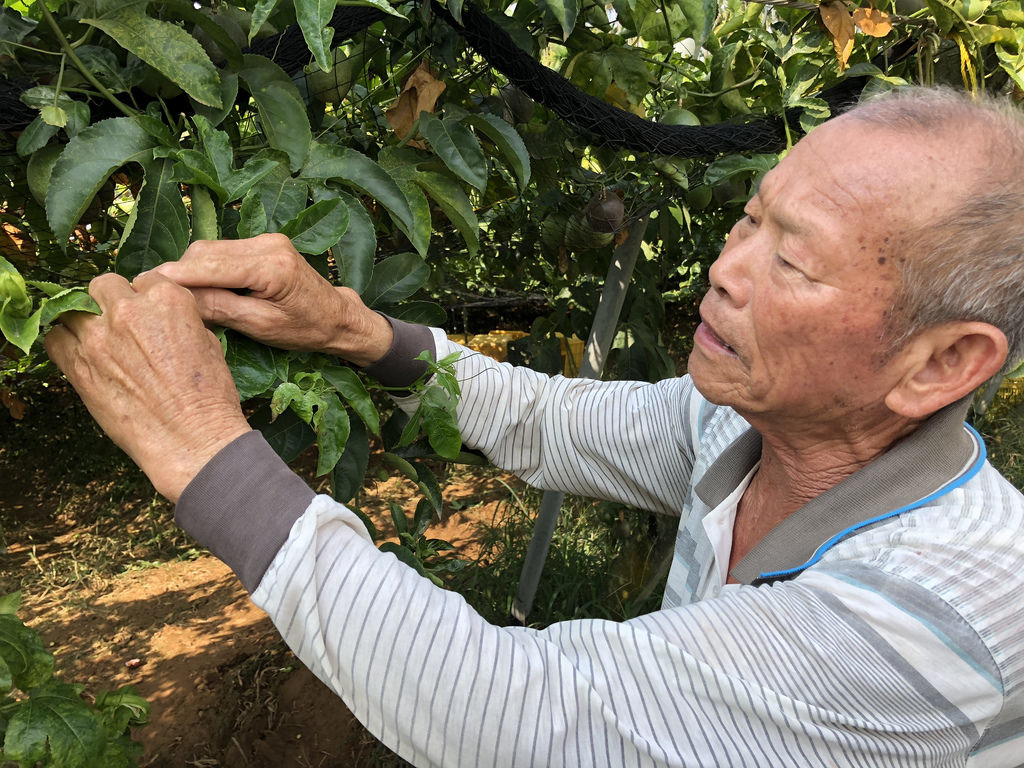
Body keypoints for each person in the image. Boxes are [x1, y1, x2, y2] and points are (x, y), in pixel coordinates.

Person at [46, 86, 1024, 766]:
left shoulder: (936, 608)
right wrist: (345, 326)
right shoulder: (745, 423)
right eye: (749, 221)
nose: (726, 269)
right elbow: (551, 419)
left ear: (942, 363)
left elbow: (514, 717)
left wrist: (199, 446)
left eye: (794, 263)